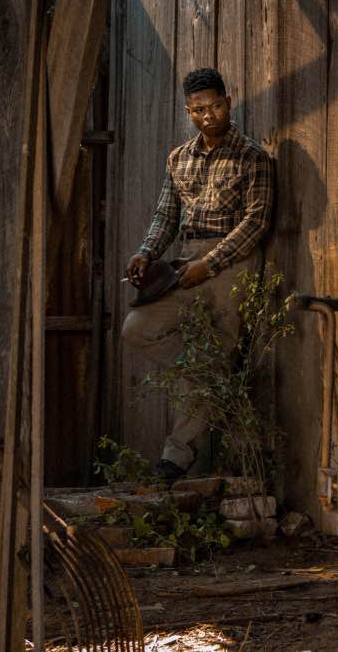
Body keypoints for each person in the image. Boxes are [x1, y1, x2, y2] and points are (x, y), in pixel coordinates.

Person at [121, 68, 273, 483]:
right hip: (183, 262)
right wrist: (146, 251)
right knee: (137, 328)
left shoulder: (252, 156)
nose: (209, 116)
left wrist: (213, 263)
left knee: (217, 353)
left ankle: (176, 457)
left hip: (232, 264)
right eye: (199, 110)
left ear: (230, 99)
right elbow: (166, 215)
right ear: (188, 110)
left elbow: (256, 223)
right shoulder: (178, 157)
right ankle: (202, 372)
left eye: (216, 106)